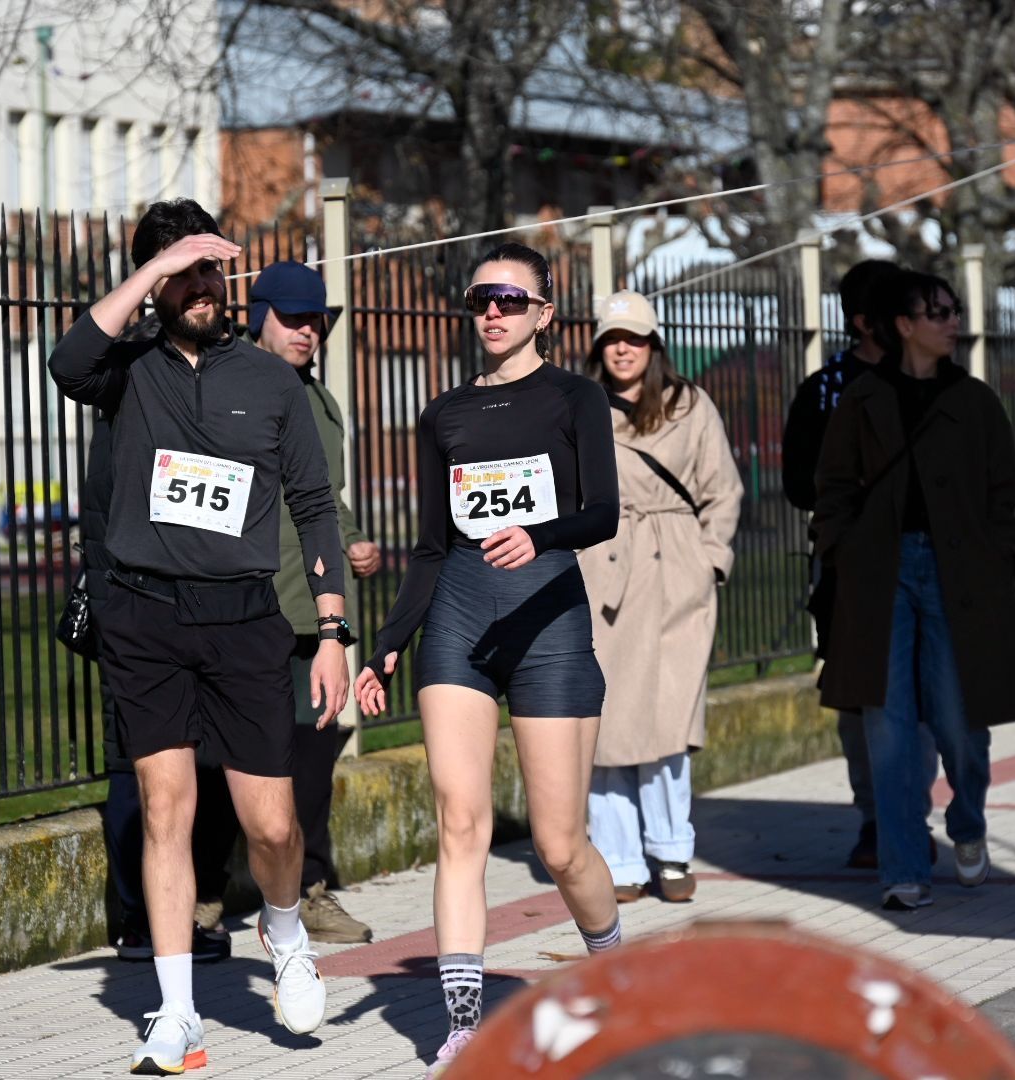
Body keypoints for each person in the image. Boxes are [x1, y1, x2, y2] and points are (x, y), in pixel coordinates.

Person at [49, 198, 349, 1075]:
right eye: (186, 271)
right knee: (166, 811)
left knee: (272, 823)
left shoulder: (269, 381)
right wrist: (149, 272)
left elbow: (314, 506)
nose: (206, 286)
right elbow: (67, 360)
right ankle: (176, 1013)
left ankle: (285, 931)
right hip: (143, 617)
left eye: (215, 269)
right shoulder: (127, 370)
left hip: (245, 620)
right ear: (156, 284)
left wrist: (332, 631)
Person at [353, 242, 622, 1078]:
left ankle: (614, 969)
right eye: (479, 300)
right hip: (462, 618)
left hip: (549, 619)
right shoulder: (443, 415)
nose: (493, 312)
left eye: (510, 297)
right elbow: (433, 547)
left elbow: (603, 513)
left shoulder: (575, 398)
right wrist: (389, 643)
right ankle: (463, 1025)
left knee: (560, 843)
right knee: (460, 823)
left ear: (546, 312)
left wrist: (536, 534)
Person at [812, 269, 1015, 911]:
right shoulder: (862, 398)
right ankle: (904, 866)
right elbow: (832, 487)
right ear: (904, 325)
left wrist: (998, 559)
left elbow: (1003, 495)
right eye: (935, 311)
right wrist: (846, 549)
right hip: (879, 576)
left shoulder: (974, 400)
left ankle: (967, 824)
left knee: (959, 722)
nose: (951, 320)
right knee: (889, 726)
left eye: (954, 309)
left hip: (958, 575)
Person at [576, 290, 742, 904]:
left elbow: (722, 489)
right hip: (603, 573)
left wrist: (710, 562)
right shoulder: (581, 407)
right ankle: (618, 862)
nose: (623, 349)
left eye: (636, 338)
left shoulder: (689, 404)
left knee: (669, 721)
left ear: (654, 346)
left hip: (674, 571)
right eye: (613, 338)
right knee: (607, 725)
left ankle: (672, 853)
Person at [80, 324, 239, 968]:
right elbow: (101, 512)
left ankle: (171, 914)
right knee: (134, 768)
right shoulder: (124, 395)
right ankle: (141, 922)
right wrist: (111, 599)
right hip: (133, 604)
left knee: (185, 770)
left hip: (200, 609)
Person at [781, 260, 937, 870]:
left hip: (924, 564)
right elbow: (797, 482)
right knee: (856, 699)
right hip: (847, 569)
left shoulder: (934, 384)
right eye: (899, 311)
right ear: (865, 321)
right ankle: (874, 816)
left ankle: (911, 817)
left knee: (918, 697)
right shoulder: (823, 389)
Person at [251, 259, 380, 943]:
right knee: (231, 755)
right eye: (292, 318)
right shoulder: (233, 386)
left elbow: (324, 497)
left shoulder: (322, 400)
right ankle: (209, 890)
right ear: (257, 315)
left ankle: (312, 888)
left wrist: (354, 539)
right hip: (248, 601)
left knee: (313, 755)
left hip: (316, 610)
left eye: (316, 321)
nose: (307, 332)